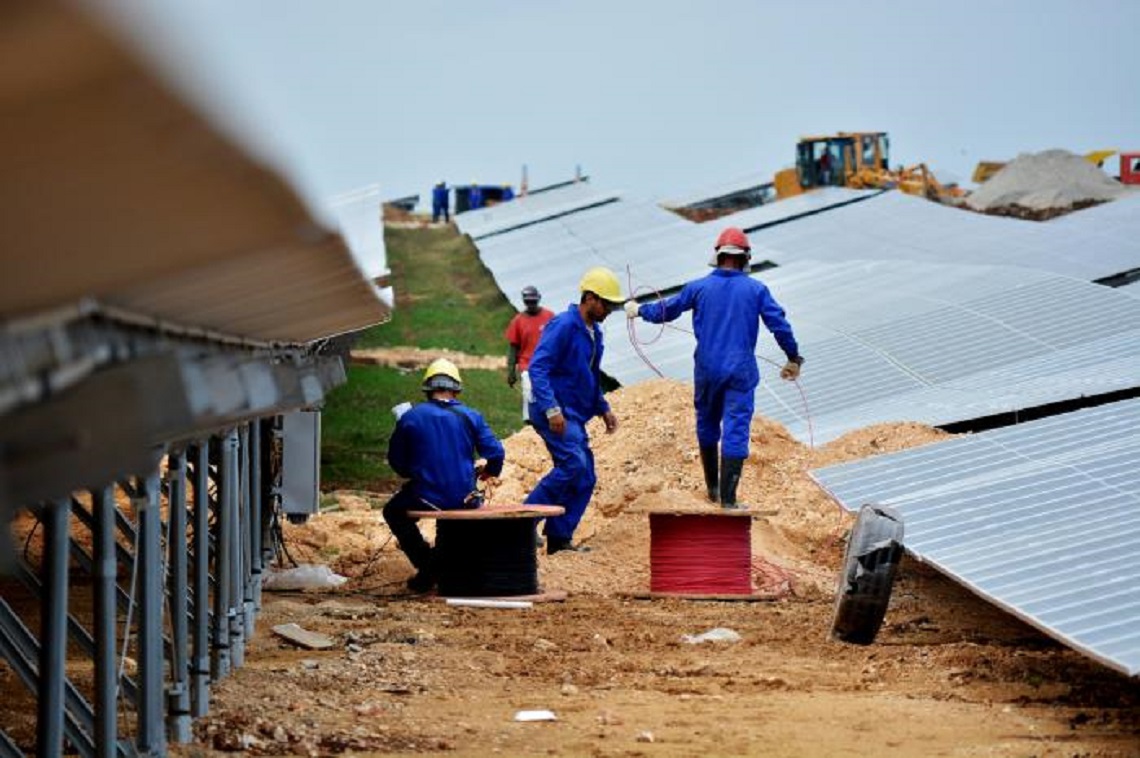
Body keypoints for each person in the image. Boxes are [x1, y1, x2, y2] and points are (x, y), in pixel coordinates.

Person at [624, 227, 804, 510]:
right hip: (740, 371)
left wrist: (638, 310)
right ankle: (729, 501)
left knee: (707, 423)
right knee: (736, 428)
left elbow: (667, 310)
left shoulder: (697, 288)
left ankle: (712, 490)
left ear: (717, 256)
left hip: (706, 369)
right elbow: (778, 324)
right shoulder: (756, 290)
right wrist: (793, 356)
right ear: (745, 258)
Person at [524, 267, 625, 554]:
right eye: (607, 303)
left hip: (575, 413)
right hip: (555, 412)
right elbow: (538, 367)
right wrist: (552, 409)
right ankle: (522, 523)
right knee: (573, 465)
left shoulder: (595, 334)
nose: (609, 310)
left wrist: (603, 406)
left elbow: (590, 375)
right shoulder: (565, 325)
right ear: (590, 298)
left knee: (585, 476)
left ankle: (559, 539)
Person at [383, 358, 505, 592]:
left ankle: (427, 567)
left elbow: (397, 462)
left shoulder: (411, 417)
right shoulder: (471, 416)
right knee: (453, 523)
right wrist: (491, 471)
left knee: (393, 512)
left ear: (428, 389)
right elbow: (496, 452)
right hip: (464, 497)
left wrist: (415, 472)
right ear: (456, 390)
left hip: (424, 494)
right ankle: (436, 570)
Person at [505, 285, 555, 421]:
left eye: (533, 301)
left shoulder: (549, 316)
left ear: (538, 299)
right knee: (528, 390)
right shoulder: (518, 321)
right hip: (527, 364)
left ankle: (550, 413)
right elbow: (513, 347)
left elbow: (558, 339)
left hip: (547, 363)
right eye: (528, 302)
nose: (531, 304)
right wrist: (511, 372)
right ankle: (529, 419)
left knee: (548, 390)